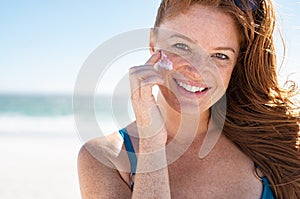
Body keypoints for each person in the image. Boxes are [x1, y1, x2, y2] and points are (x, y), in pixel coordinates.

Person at [77, 0, 300, 198]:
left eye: (220, 56)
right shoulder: (105, 160)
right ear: (154, 43)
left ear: (235, 65)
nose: (197, 71)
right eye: (182, 46)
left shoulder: (278, 145)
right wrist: (152, 140)